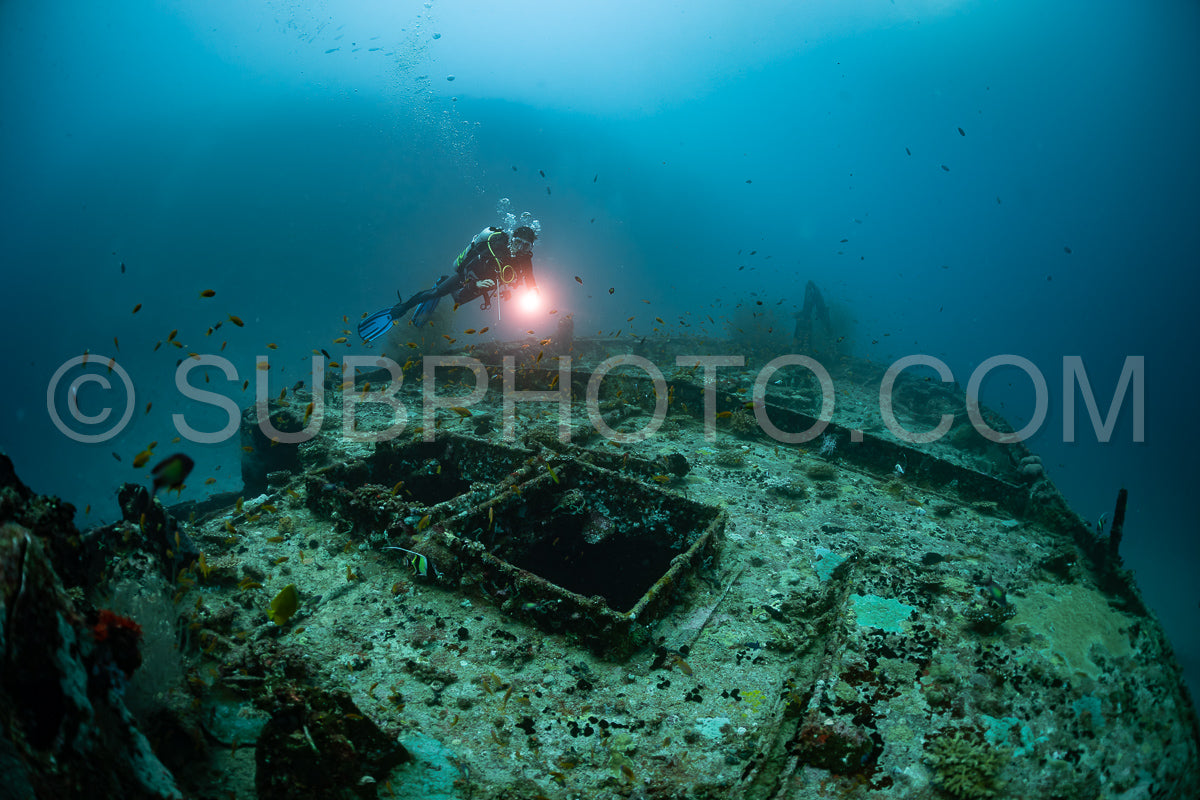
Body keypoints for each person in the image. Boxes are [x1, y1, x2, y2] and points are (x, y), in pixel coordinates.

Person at [358, 225, 539, 342]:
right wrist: (475, 284)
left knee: (458, 300)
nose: (520, 248)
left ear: (530, 248)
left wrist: (534, 293)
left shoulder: (525, 260)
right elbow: (469, 268)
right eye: (518, 242)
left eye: (526, 246)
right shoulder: (496, 247)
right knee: (435, 293)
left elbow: (530, 281)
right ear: (511, 238)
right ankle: (400, 309)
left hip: (486, 284)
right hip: (470, 275)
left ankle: (451, 287)